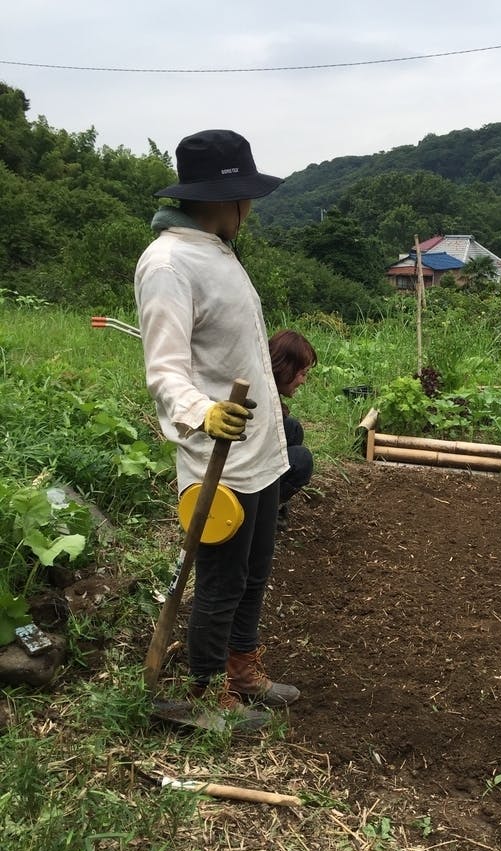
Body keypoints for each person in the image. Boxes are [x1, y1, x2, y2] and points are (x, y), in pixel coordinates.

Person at [134, 129, 300, 732]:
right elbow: (165, 368)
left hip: (260, 449)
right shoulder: (168, 263)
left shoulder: (218, 250)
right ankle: (206, 691)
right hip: (218, 455)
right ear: (222, 200)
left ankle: (242, 669)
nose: (250, 209)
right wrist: (200, 411)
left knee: (254, 573)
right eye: (245, 197)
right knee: (221, 581)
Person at [268, 329, 317, 528]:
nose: (303, 381)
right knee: (301, 460)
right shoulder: (261, 400)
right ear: (285, 368)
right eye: (302, 373)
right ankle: (264, 509)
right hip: (243, 477)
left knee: (292, 428)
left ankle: (275, 504)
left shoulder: (268, 388)